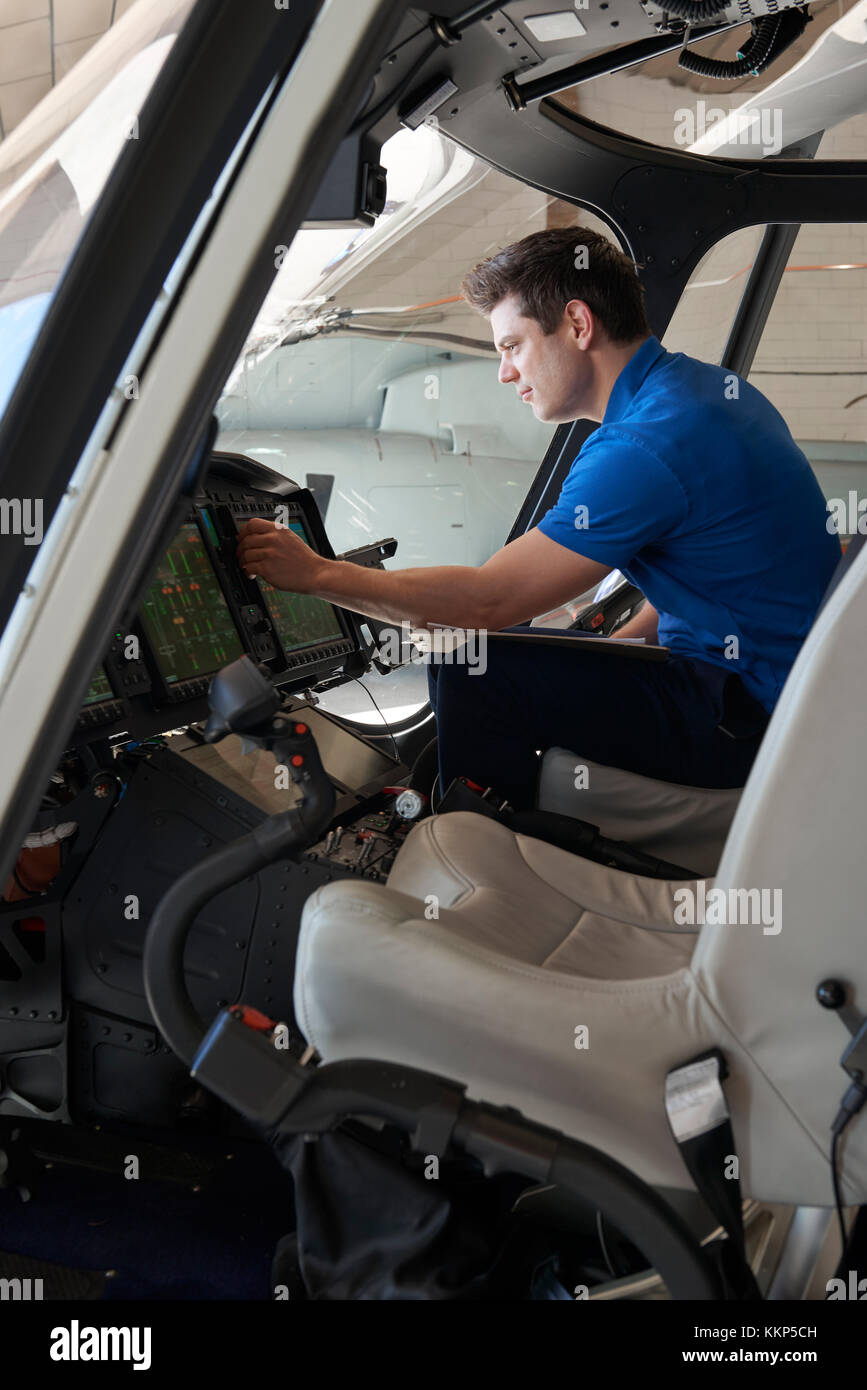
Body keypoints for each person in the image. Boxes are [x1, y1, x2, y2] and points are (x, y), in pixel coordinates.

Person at [237, 227, 840, 810]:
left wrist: (317, 576)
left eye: (512, 346)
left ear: (577, 324)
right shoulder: (702, 392)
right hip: (776, 693)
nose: (505, 372)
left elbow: (487, 602)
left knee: (470, 663)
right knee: (523, 656)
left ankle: (472, 866)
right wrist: (609, 650)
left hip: (750, 720)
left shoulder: (644, 447)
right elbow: (715, 578)